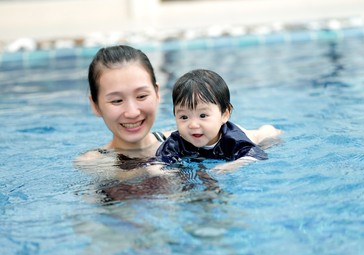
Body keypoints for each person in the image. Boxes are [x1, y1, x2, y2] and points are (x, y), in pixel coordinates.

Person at [75, 45, 281, 173]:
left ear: (157, 94)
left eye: (141, 96)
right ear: (95, 105)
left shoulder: (185, 137)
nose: (132, 112)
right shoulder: (93, 164)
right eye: (117, 101)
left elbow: (266, 134)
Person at [156, 69, 269, 167]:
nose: (193, 125)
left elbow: (256, 154)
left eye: (203, 116)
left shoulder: (233, 139)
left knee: (260, 135)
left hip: (247, 135)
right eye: (184, 117)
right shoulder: (176, 142)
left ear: (224, 114)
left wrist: (233, 165)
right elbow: (159, 163)